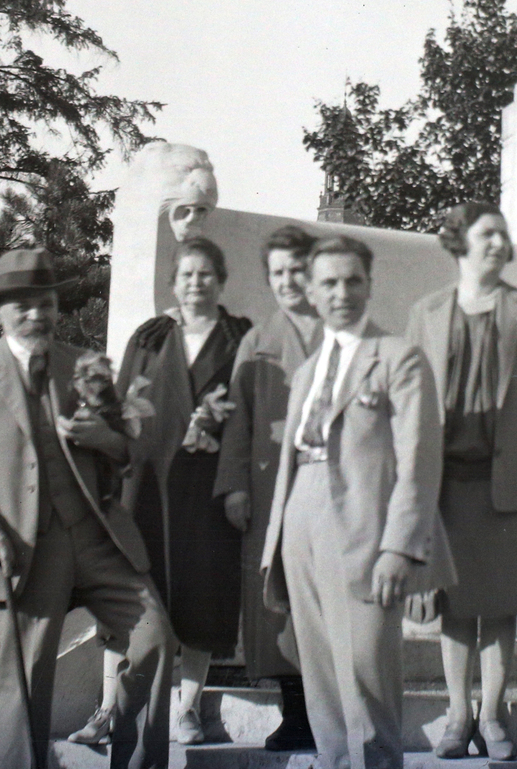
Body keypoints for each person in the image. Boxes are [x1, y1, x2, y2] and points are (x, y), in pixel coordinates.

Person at [0, 248, 174, 769]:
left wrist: (104, 437)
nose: (37, 314)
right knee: (26, 675)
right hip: (22, 547)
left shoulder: (83, 367)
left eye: (47, 302)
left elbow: (126, 456)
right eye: (22, 304)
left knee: (155, 641)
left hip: (99, 538)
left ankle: (128, 750)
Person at [260, 236, 456, 769]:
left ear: (369, 286)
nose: (342, 292)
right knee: (321, 676)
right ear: (311, 290)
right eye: (329, 282)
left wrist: (401, 547)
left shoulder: (398, 357)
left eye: (353, 280)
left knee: (366, 676)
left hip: (366, 526)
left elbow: (419, 459)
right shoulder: (304, 374)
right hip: (301, 516)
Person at [73, 236, 252, 746]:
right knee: (130, 604)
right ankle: (108, 708)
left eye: (206, 274)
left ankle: (188, 709)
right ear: (173, 283)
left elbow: (250, 411)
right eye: (187, 275)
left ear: (221, 280)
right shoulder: (150, 337)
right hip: (146, 491)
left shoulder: (240, 337)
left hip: (209, 492)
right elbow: (119, 412)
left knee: (203, 600)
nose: (196, 283)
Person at [405, 202, 517, 760]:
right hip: (447, 485)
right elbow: (407, 405)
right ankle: (456, 715)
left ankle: (493, 715)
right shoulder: (425, 313)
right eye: (488, 235)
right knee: (453, 604)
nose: (500, 244)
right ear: (461, 243)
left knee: (502, 603)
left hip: (513, 479)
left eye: (504, 234)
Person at [215, 225, 324, 750]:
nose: (287, 281)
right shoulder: (257, 343)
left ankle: (333, 709)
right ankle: (296, 714)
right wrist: (235, 487)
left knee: (327, 598)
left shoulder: (342, 335)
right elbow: (236, 423)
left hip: (330, 490)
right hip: (271, 491)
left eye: (296, 269)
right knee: (274, 603)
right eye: (277, 272)